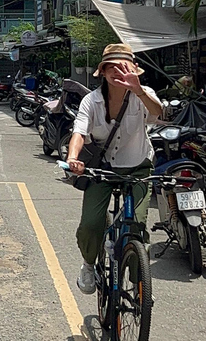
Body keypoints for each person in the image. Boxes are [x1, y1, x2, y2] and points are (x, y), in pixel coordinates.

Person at [66, 44, 163, 295]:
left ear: (134, 70)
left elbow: (158, 112)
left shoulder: (144, 94)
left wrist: (138, 89)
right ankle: (89, 264)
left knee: (136, 227)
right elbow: (79, 131)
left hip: (139, 168)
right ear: (103, 72)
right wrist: (73, 158)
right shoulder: (92, 101)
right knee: (90, 225)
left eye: (124, 67)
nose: (118, 72)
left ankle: (138, 273)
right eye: (112, 67)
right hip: (103, 170)